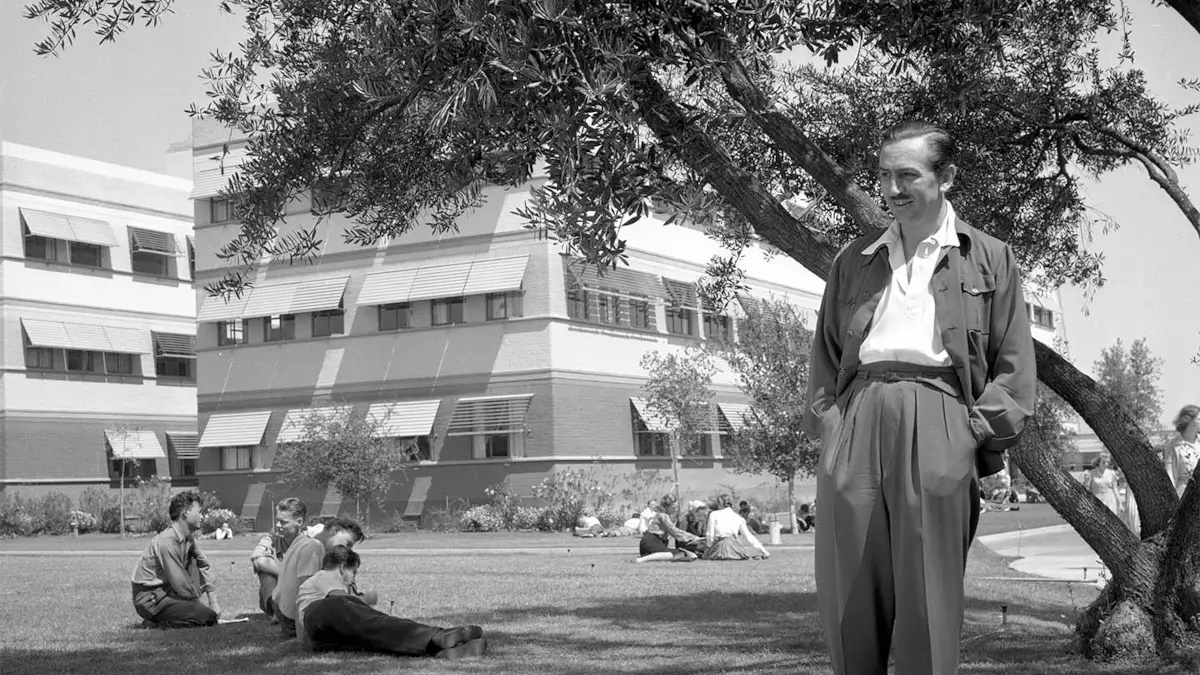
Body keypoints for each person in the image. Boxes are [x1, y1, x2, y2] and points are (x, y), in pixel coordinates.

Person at [803, 119, 1036, 675]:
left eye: (907, 175)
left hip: (940, 419)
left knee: (929, 596)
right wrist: (832, 428)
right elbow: (826, 357)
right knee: (847, 594)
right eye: (883, 176)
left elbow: (1014, 365)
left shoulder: (991, 258)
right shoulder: (853, 260)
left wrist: (972, 435)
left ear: (945, 176)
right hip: (857, 418)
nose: (891, 190)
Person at [297, 545, 487, 659]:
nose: (353, 579)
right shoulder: (325, 576)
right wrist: (369, 600)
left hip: (322, 639)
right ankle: (439, 636)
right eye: (353, 573)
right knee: (377, 623)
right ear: (341, 568)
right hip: (319, 616)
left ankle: (437, 650)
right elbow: (341, 602)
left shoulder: (320, 585)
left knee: (374, 639)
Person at [130, 491, 223, 628]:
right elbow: (180, 583)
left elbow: (204, 565)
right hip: (152, 599)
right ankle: (155, 623)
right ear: (185, 512)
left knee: (194, 561)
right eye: (199, 512)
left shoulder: (188, 539)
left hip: (170, 593)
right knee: (207, 617)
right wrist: (201, 608)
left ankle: (177, 615)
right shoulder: (167, 541)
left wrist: (213, 602)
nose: (202, 517)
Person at [273, 516, 365, 638]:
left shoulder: (304, 539)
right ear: (334, 530)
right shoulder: (314, 548)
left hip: (282, 609)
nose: (347, 549)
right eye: (347, 543)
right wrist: (301, 637)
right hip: (293, 620)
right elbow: (304, 597)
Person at [251, 497, 307, 619]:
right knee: (265, 572)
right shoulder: (270, 540)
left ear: (299, 522)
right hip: (274, 592)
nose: (277, 525)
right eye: (277, 521)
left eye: (283, 522)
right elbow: (258, 560)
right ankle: (275, 609)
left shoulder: (310, 544)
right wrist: (289, 574)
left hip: (300, 594)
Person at [633, 494, 702, 563]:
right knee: (682, 553)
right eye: (673, 508)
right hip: (652, 542)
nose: (676, 509)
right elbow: (674, 532)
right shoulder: (663, 516)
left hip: (650, 542)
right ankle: (641, 560)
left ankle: (646, 558)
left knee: (688, 555)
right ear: (666, 507)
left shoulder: (663, 515)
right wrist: (694, 538)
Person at [704, 494, 770, 560]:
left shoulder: (714, 514)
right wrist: (764, 551)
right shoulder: (738, 518)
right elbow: (749, 537)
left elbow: (710, 535)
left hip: (720, 547)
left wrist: (709, 547)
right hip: (736, 547)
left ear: (720, 503)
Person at [1165, 404, 1200, 497]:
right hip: (1183, 497)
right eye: (1199, 419)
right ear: (1188, 420)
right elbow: (1170, 475)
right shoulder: (1174, 445)